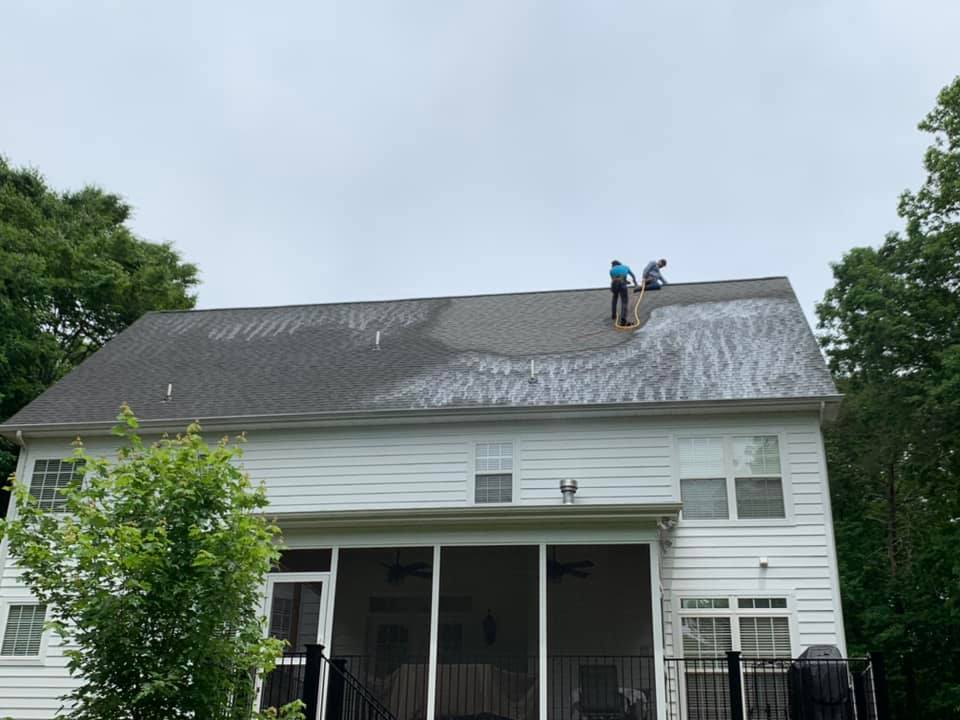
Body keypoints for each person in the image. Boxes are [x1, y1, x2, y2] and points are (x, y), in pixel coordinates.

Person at [609, 260, 638, 325]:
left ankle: (613, 315)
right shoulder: (625, 267)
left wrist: (612, 288)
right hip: (622, 283)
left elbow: (615, 280)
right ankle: (623, 319)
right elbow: (633, 275)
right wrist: (635, 283)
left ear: (614, 265)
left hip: (614, 284)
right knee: (624, 301)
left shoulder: (611, 270)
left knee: (615, 298)